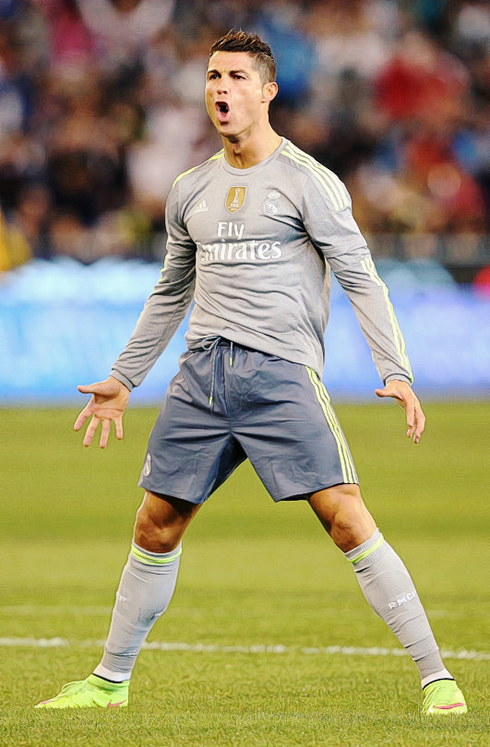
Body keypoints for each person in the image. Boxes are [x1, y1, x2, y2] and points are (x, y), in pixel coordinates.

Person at [35, 30, 467, 716]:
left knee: (348, 519)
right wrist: (125, 376)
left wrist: (397, 368)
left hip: (279, 375)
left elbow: (362, 278)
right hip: (201, 377)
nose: (220, 89)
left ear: (267, 91)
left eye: (236, 76)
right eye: (212, 76)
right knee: (155, 525)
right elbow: (171, 291)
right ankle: (109, 683)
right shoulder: (190, 189)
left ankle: (436, 675)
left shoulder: (308, 181)